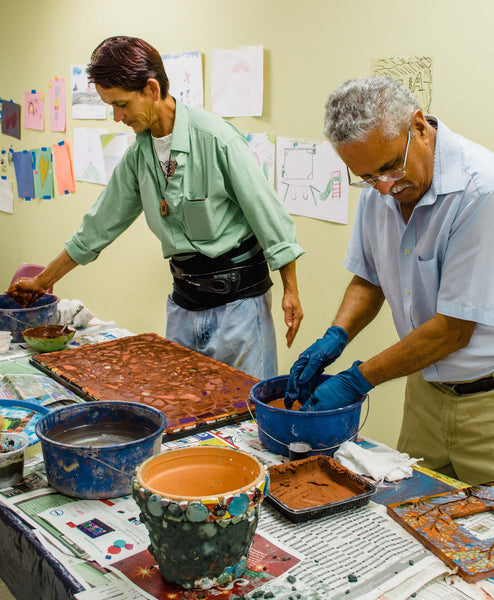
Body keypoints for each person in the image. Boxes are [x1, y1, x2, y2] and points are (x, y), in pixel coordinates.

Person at [7, 36, 304, 380]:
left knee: (246, 409)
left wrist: (291, 290)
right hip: (183, 305)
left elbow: (269, 218)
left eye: (122, 104)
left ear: (152, 88)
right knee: (184, 409)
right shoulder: (138, 156)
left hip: (239, 308)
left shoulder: (217, 139)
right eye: (110, 107)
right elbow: (97, 227)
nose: (117, 117)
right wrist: (43, 281)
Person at [285, 75, 494, 485]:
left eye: (388, 168)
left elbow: (452, 330)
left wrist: (356, 380)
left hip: (486, 403)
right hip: (426, 390)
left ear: (419, 126)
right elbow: (368, 280)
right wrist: (335, 336)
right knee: (413, 507)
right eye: (365, 176)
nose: (383, 186)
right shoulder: (380, 188)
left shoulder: (480, 192)